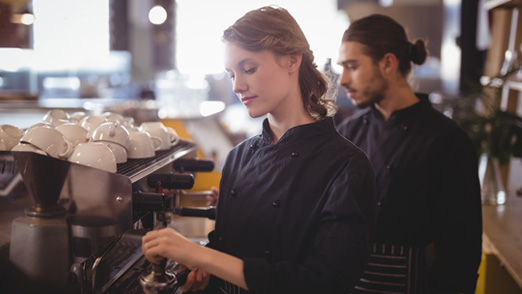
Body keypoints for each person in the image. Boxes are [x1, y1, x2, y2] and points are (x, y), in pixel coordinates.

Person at [142, 6, 376, 294]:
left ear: (292, 60)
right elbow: (226, 251)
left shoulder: (346, 166)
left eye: (249, 69)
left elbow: (323, 283)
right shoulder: (239, 157)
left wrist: (203, 255)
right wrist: (200, 271)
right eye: (231, 75)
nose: (238, 86)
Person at [336, 14, 482, 294]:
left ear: (388, 63)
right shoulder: (347, 132)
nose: (342, 79)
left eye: (352, 66)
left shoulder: (447, 141)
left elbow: (460, 255)